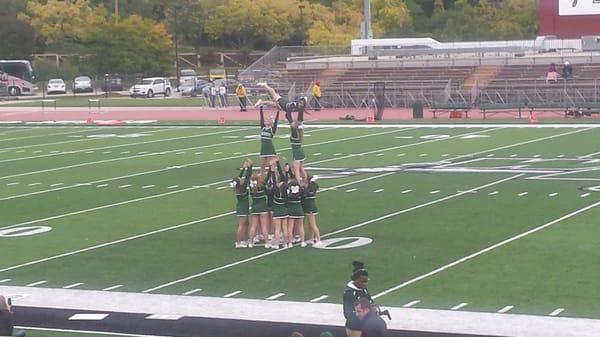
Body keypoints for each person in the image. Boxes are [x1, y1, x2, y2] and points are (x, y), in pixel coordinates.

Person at [343, 261, 372, 337]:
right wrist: (362, 313)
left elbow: (370, 301)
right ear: (356, 280)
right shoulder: (349, 294)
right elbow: (347, 314)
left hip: (366, 324)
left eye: (366, 281)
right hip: (354, 327)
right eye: (363, 281)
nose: (365, 284)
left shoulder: (363, 289)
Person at [233, 159, 252, 248]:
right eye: (240, 179)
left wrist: (244, 168)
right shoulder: (242, 188)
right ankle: (238, 242)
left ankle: (246, 239)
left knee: (247, 223)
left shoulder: (238, 187)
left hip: (242, 206)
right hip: (243, 208)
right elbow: (248, 177)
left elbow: (239, 177)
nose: (241, 178)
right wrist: (249, 167)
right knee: (241, 224)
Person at [248, 173, 270, 248]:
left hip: (254, 208)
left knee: (253, 226)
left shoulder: (251, 188)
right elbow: (266, 179)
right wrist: (271, 169)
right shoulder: (262, 186)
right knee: (264, 226)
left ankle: (250, 242)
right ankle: (267, 243)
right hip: (263, 208)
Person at [258, 106, 280, 176]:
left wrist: (278, 112)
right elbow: (261, 117)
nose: (266, 120)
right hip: (263, 149)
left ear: (270, 122)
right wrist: (261, 108)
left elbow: (276, 122)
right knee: (262, 166)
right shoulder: (263, 128)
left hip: (270, 149)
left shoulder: (272, 129)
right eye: (265, 120)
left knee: (273, 166)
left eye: (268, 120)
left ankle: (276, 179)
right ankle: (261, 179)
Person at [302, 173, 321, 246]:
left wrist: (303, 187)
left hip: (310, 208)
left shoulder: (310, 189)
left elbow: (305, 193)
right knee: (310, 224)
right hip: (310, 207)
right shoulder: (311, 187)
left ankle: (318, 239)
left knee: (313, 224)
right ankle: (311, 238)